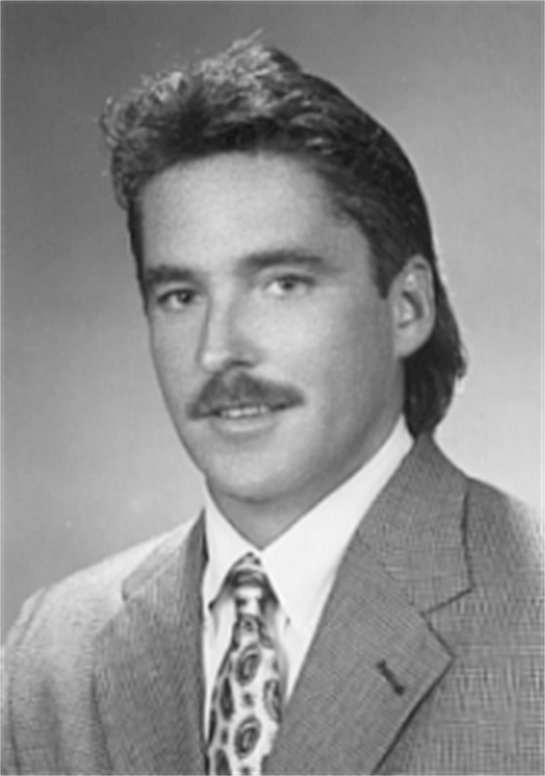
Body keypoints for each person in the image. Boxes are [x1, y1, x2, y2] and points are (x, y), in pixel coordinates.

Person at [2, 40, 543, 776]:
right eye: (180, 296)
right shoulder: (53, 654)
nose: (218, 350)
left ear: (407, 306)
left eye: (282, 283)